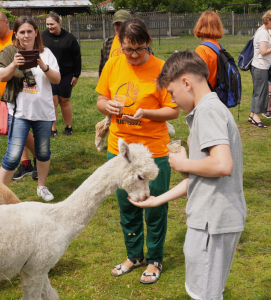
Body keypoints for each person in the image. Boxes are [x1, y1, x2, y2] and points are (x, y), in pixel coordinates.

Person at [128, 50, 247, 300]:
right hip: (208, 219)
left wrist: (184, 162)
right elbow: (202, 177)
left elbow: (223, 165)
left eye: (171, 93)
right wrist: (156, 200)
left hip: (212, 222)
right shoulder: (208, 110)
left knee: (204, 295)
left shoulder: (208, 111)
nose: (173, 100)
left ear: (186, 83)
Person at [96, 18, 179, 284]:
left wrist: (147, 114)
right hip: (119, 152)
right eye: (127, 49)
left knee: (155, 208)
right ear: (120, 45)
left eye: (139, 49)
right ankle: (135, 256)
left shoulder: (162, 69)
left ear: (149, 44)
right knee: (127, 205)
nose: (132, 55)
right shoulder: (113, 63)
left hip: (152, 151)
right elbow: (100, 98)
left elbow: (174, 110)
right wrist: (106, 106)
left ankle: (154, 259)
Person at [0, 16, 60, 201]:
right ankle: (1, 193)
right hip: (19, 113)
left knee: (42, 152)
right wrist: (13, 65)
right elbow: (2, 76)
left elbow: (57, 79)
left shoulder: (47, 53)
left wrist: (44, 67)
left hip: (43, 113)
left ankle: (41, 187)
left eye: (29, 31)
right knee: (12, 156)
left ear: (36, 32)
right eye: (22, 32)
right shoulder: (10, 52)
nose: (26, 35)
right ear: (16, 34)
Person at [0, 12, 38, 180]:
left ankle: (37, 158)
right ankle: (27, 163)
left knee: (16, 129)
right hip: (3, 93)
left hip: (17, 94)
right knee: (12, 130)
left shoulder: (16, 40)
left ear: (6, 23)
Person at [42, 12, 81, 137]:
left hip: (66, 74)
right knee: (52, 100)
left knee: (64, 100)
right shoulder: (42, 37)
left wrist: (76, 75)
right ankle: (53, 128)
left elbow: (77, 57)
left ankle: (68, 126)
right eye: (47, 24)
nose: (49, 26)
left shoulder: (69, 38)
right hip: (49, 74)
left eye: (52, 24)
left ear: (59, 22)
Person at [249, 10, 271, 128]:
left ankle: (252, 115)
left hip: (259, 65)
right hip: (260, 66)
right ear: (268, 20)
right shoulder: (263, 33)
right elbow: (263, 52)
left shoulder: (262, 31)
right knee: (261, 93)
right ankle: (257, 118)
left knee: (257, 91)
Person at [194, 11, 223, 90]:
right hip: (217, 93)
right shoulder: (218, 47)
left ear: (200, 25)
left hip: (205, 93)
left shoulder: (202, 49)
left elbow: (197, 78)